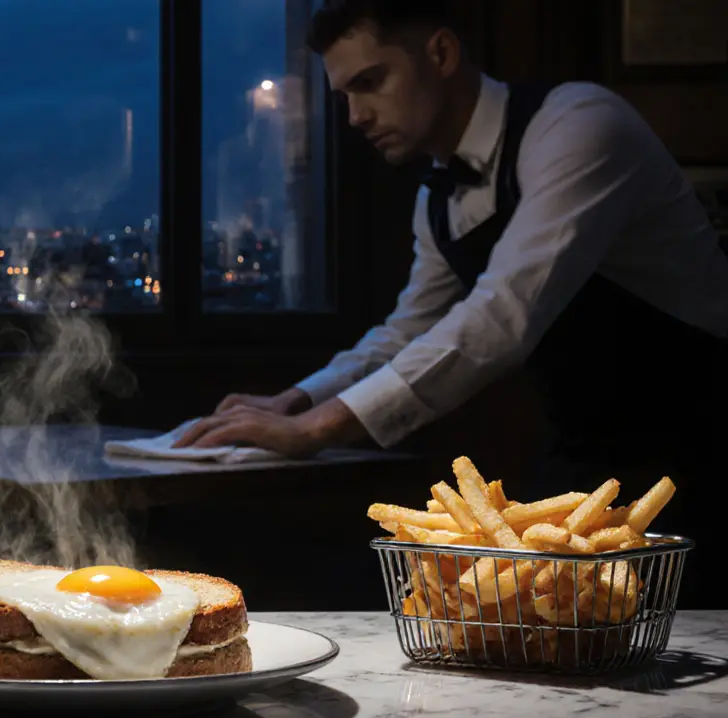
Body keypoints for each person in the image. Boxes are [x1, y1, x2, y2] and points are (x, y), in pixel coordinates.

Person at [175, 0, 727, 501]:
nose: (355, 117)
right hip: (587, 452)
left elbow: (501, 316)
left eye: (371, 82)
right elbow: (406, 332)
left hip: (704, 440)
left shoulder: (581, 125)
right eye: (345, 96)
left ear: (440, 53)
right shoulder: (437, 199)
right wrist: (295, 400)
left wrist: (315, 430)